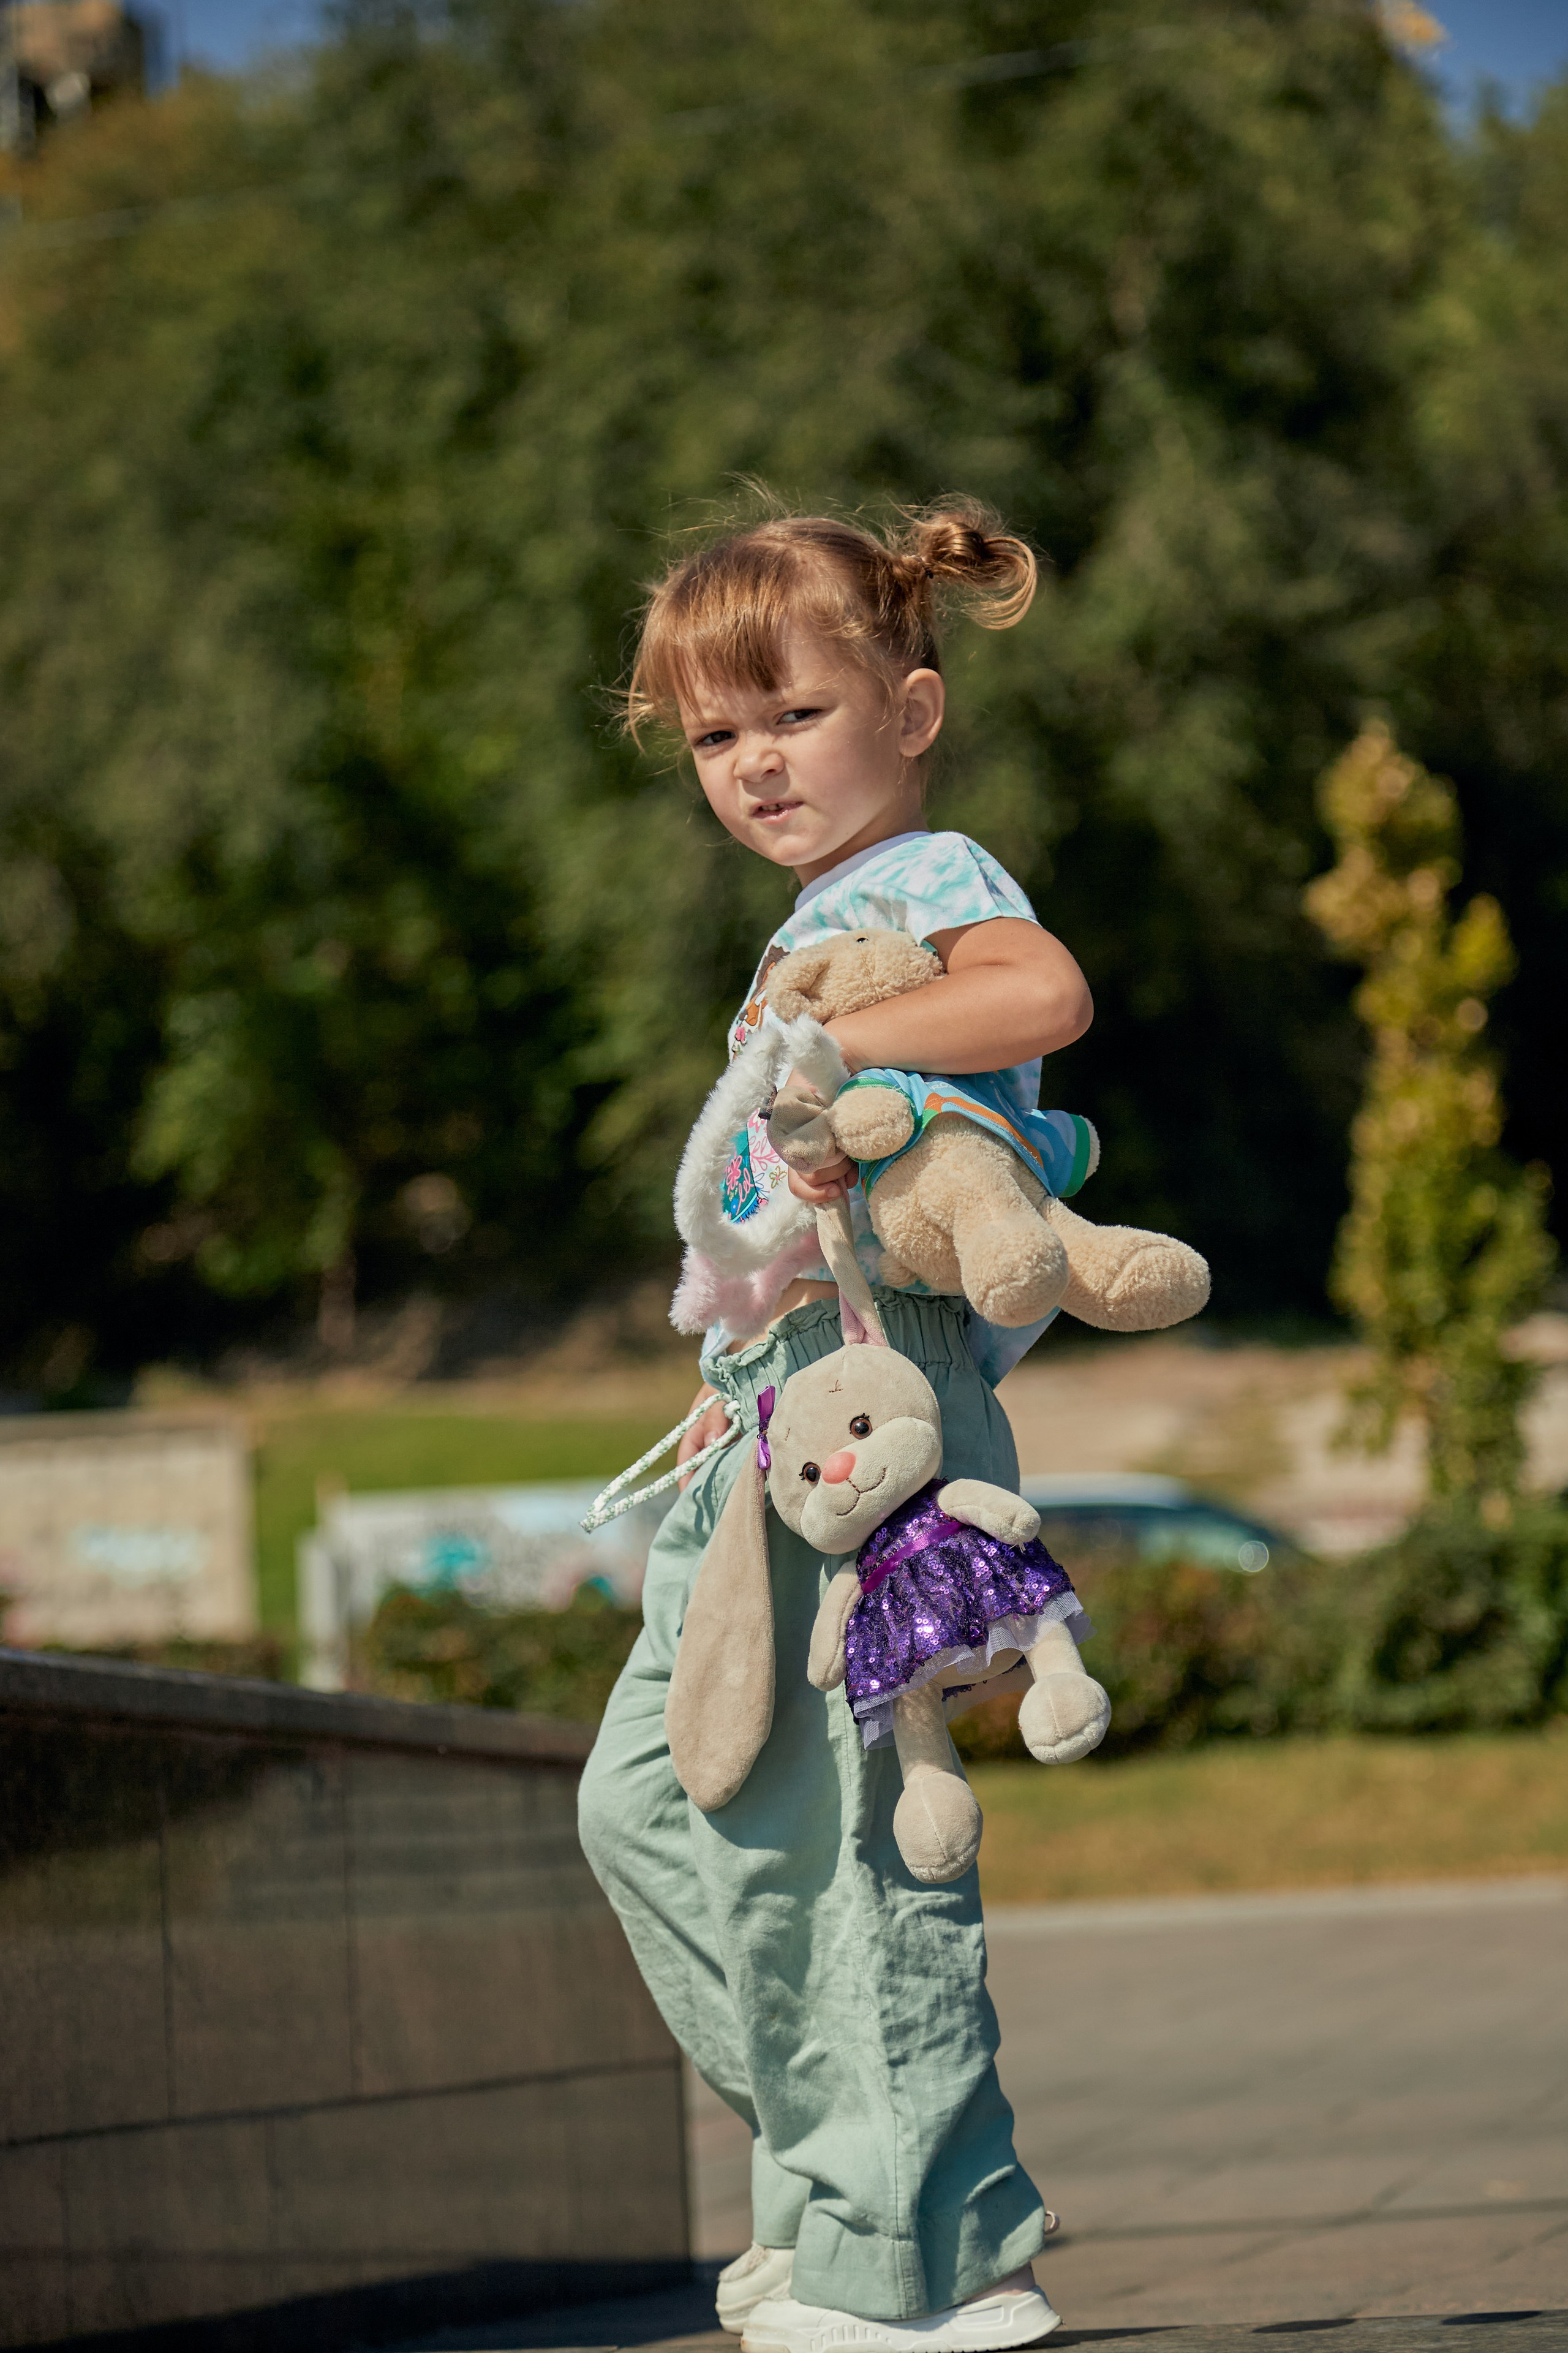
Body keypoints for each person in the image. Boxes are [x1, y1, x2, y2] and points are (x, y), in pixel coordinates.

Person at [577, 500, 1093, 2353]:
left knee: (848, 1836)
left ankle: (927, 2254)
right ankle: (833, 2160)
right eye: (717, 737)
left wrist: (857, 1050)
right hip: (760, 1420)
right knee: (646, 1801)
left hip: (880, 1383)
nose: (755, 764)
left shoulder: (924, 876)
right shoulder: (817, 916)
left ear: (916, 706)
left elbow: (1048, 994)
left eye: (792, 715)